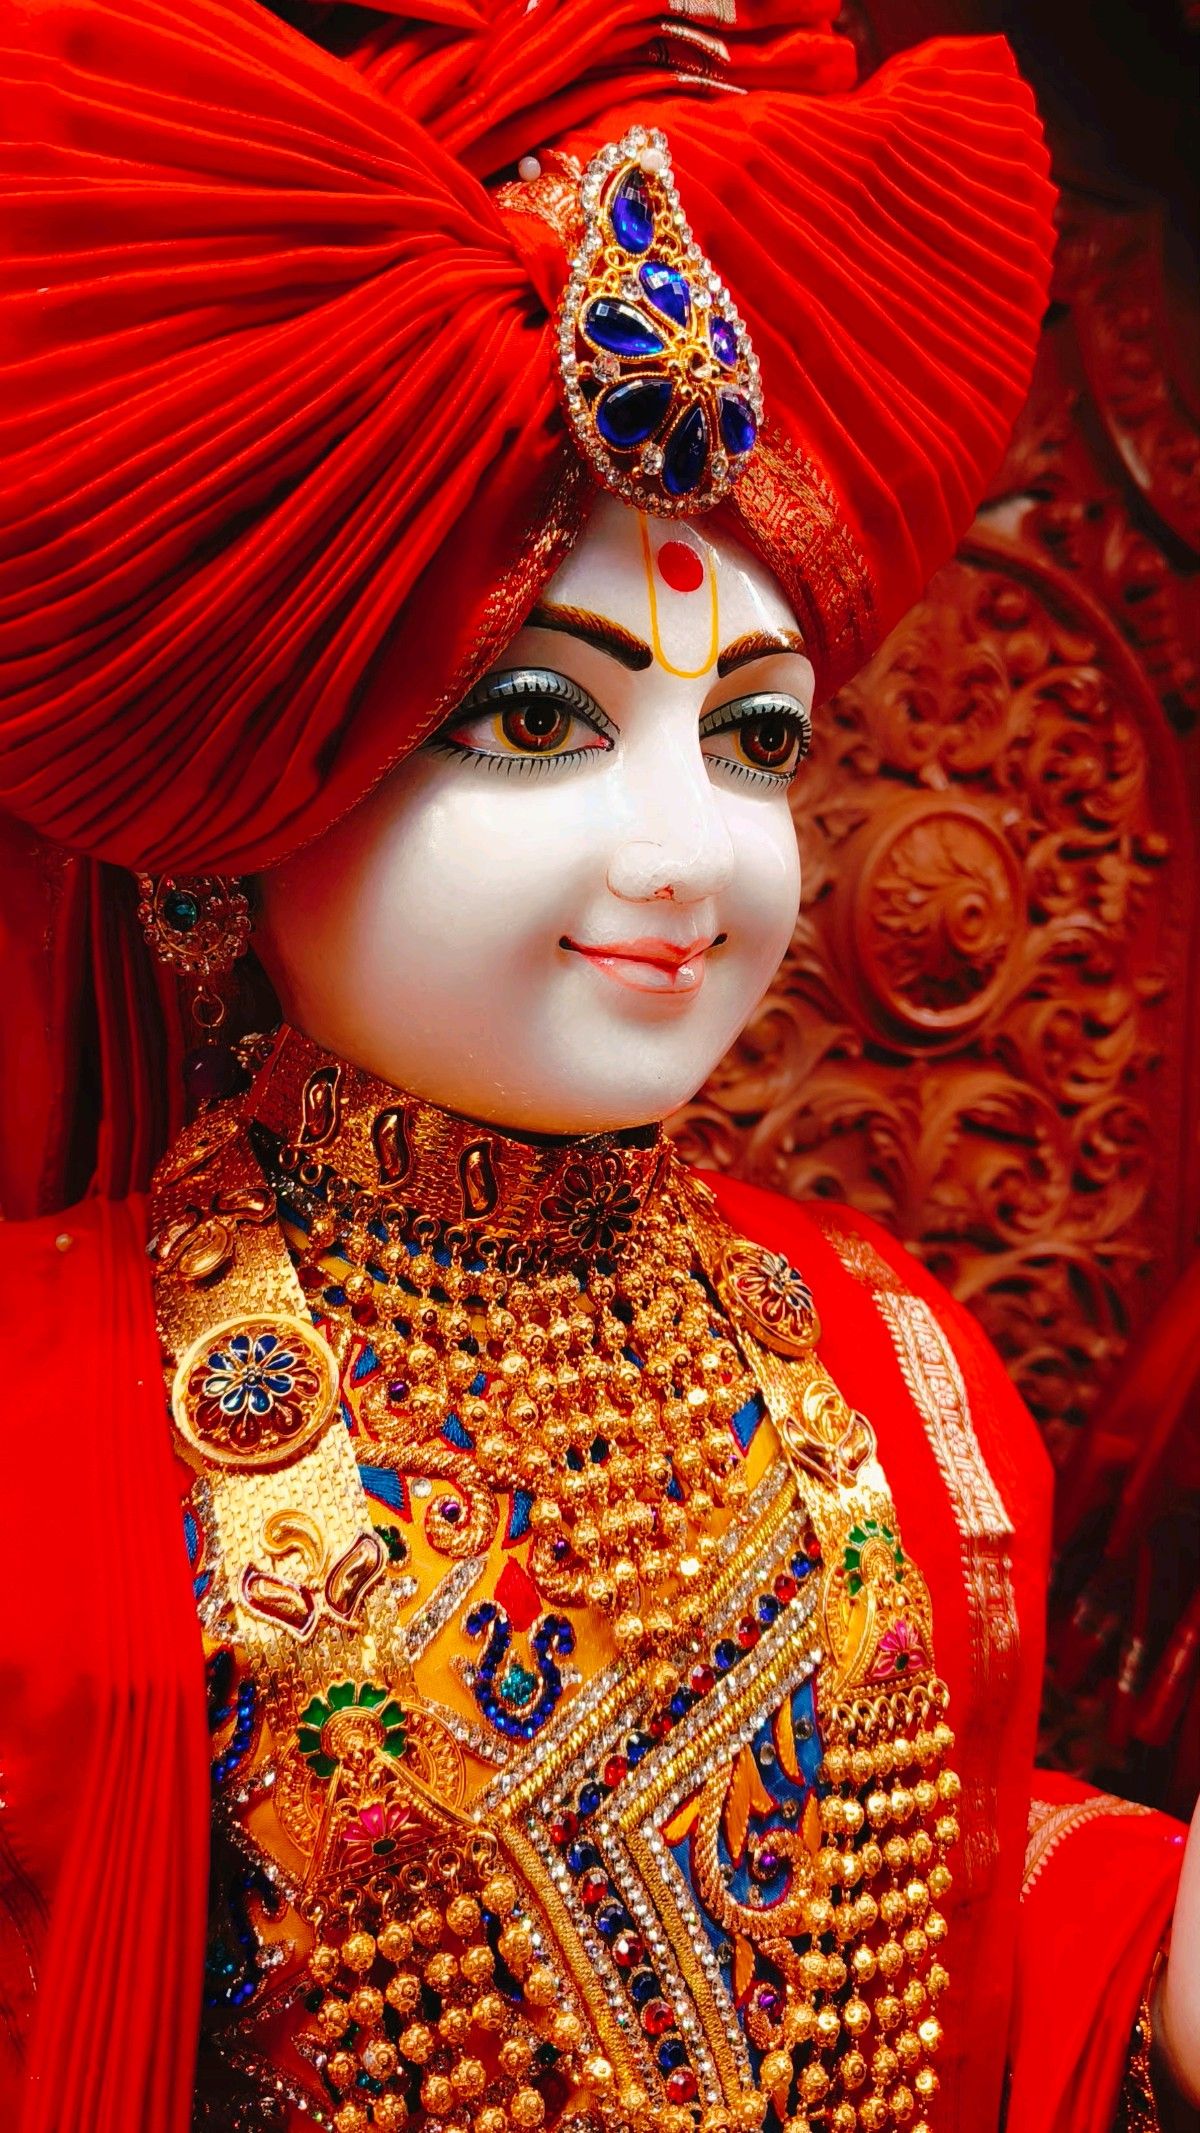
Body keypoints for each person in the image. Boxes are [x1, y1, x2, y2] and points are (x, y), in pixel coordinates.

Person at [0, 4, 1194, 2131]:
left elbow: (926, 1874)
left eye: (753, 736)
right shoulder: (47, 1404)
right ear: (250, 802)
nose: (688, 851)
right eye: (541, 720)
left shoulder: (891, 1350)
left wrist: (1152, 1936)